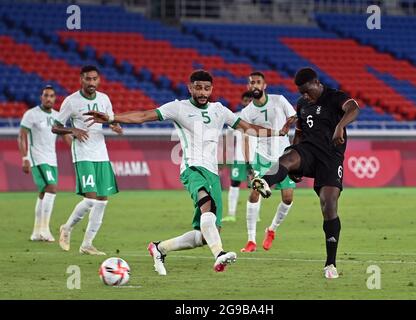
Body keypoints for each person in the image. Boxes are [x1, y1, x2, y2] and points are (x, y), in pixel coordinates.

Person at [84, 70, 291, 275]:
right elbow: (144, 116)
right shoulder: (178, 108)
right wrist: (111, 117)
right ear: (190, 87)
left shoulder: (220, 110)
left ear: (212, 89)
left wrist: (278, 132)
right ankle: (219, 254)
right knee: (206, 205)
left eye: (207, 89)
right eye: (198, 88)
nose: (202, 92)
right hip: (192, 168)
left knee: (205, 234)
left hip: (212, 173)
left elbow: (248, 128)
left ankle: (160, 248)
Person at [252, 67, 360, 279]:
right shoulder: (302, 104)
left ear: (317, 83)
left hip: (330, 157)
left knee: (329, 205)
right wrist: (294, 165)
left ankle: (330, 263)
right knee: (287, 157)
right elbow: (300, 134)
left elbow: (354, 108)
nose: (304, 96)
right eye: (301, 92)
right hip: (308, 150)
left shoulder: (334, 97)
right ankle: (264, 181)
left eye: (307, 91)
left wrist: (340, 126)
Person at [52, 65, 123, 255]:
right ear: (81, 80)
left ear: (99, 80)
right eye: (87, 79)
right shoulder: (71, 101)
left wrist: (115, 126)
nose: (91, 82)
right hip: (83, 153)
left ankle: (87, 244)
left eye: (94, 79)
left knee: (102, 201)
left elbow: (110, 120)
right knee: (90, 200)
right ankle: (66, 228)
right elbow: (56, 127)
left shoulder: (104, 99)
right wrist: (72, 130)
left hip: (101, 153)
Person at [239, 71, 297, 253]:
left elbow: (294, 115)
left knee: (287, 198)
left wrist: (287, 125)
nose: (255, 85)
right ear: (249, 87)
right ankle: (250, 240)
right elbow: (246, 138)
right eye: (252, 83)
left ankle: (271, 230)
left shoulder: (279, 100)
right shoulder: (247, 112)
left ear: (264, 86)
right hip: (262, 157)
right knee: (255, 193)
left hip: (284, 157)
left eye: (258, 82)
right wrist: (248, 163)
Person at [18, 85, 72, 242]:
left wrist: (78, 150)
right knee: (52, 188)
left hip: (52, 159)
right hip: (37, 158)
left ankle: (36, 232)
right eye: (46, 95)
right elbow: (22, 136)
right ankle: (45, 230)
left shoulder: (57, 116)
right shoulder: (31, 114)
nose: (49, 98)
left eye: (52, 96)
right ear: (41, 97)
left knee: (44, 193)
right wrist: (25, 158)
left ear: (55, 99)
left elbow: (66, 138)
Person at [223, 91, 254, 223]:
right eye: (245, 100)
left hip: (255, 158)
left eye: (250, 100)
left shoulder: (259, 117)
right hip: (239, 158)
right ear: (242, 102)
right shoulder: (235, 117)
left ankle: (254, 215)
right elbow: (227, 136)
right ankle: (231, 214)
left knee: (255, 186)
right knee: (234, 184)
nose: (248, 103)